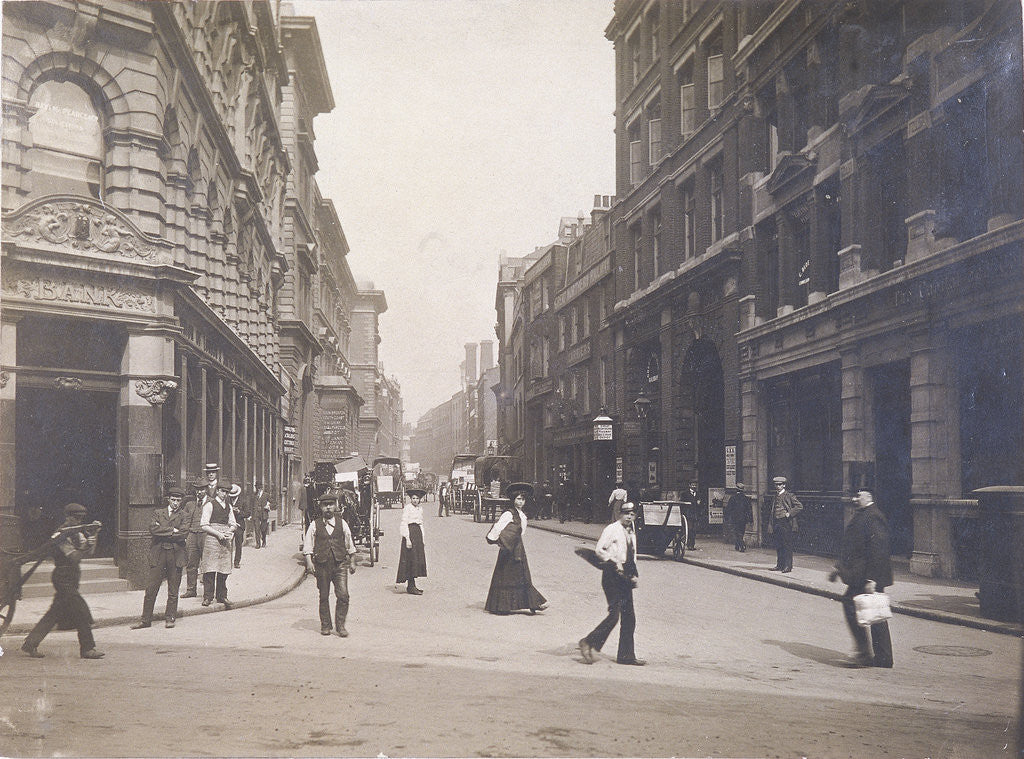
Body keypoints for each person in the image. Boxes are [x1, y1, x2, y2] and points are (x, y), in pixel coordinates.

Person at [21, 503, 104, 659]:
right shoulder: (61, 535)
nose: (79, 521)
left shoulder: (76, 533)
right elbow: (74, 557)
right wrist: (87, 545)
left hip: (72, 577)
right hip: (63, 577)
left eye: (81, 518)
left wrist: (94, 535)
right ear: (68, 516)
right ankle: (87, 648)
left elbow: (90, 551)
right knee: (80, 610)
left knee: (53, 614)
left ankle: (30, 644)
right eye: (76, 518)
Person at [829, 488, 894, 668]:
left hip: (867, 575)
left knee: (854, 605)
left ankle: (865, 652)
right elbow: (851, 545)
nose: (854, 499)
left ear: (868, 497)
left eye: (859, 496)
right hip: (861, 574)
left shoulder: (873, 516)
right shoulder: (863, 514)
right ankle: (883, 657)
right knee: (875, 614)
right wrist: (839, 567)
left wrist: (873, 579)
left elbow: (879, 549)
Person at [578, 501, 645, 666]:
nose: (629, 516)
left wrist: (633, 573)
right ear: (619, 514)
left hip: (625, 578)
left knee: (629, 618)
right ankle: (588, 642)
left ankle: (626, 656)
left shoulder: (631, 531)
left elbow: (631, 554)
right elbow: (600, 550)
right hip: (612, 576)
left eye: (632, 514)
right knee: (614, 615)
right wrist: (615, 562)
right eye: (626, 513)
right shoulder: (612, 529)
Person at [484, 482, 547, 615]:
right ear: (513, 500)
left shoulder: (521, 515)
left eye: (523, 499)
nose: (521, 502)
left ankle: (532, 603)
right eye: (518, 499)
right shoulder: (508, 514)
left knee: (523, 575)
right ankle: (502, 606)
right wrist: (495, 539)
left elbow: (521, 531)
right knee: (506, 576)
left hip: (518, 548)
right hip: (508, 549)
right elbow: (497, 528)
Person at [132, 487, 188, 629]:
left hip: (176, 555)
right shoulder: (158, 513)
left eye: (178, 500)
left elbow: (183, 534)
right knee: (151, 588)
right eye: (173, 500)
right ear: (168, 499)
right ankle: (145, 619)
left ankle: (170, 618)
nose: (175, 503)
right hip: (159, 554)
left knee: (173, 589)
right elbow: (153, 529)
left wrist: (163, 530)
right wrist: (171, 530)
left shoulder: (184, 515)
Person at [302, 493, 356, 636]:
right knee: (324, 596)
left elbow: (349, 542)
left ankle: (340, 626)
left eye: (331, 505)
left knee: (343, 595)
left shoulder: (342, 523)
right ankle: (326, 625)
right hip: (322, 565)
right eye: (325, 505)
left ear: (335, 506)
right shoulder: (314, 525)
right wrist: (309, 563)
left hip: (340, 565)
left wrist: (353, 560)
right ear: (320, 507)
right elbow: (308, 545)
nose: (328, 508)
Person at [199, 467, 236, 608]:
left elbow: (232, 522)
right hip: (212, 538)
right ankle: (208, 597)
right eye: (222, 491)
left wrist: (230, 531)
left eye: (227, 492)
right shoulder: (209, 505)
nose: (224, 494)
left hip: (225, 538)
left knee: (223, 569)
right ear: (218, 491)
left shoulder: (228, 506)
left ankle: (222, 596)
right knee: (210, 568)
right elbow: (204, 525)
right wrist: (218, 533)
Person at [396, 488, 427, 595]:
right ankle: (411, 586)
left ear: (419, 500)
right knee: (410, 559)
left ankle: (412, 585)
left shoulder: (420, 509)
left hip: (417, 534)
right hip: (410, 533)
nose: (415, 500)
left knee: (417, 559)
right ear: (410, 499)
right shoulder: (407, 508)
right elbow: (404, 523)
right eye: (413, 498)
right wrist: (407, 539)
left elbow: (421, 523)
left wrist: (422, 538)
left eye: (417, 498)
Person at [769, 476, 803, 573]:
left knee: (787, 545)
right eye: (776, 485)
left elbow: (799, 506)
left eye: (780, 485)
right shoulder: (775, 496)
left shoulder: (789, 495)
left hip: (786, 523)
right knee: (779, 544)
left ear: (784, 485)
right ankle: (780, 565)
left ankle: (788, 566)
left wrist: (790, 513)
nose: (778, 486)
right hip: (777, 522)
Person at [179, 483, 205, 598]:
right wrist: (185, 534)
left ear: (206, 489)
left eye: (202, 489)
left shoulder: (211, 503)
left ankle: (208, 592)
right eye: (198, 490)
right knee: (191, 563)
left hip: (206, 535)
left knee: (207, 564)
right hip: (192, 535)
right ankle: (191, 590)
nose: (199, 492)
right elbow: (183, 519)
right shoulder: (189, 504)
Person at [724, 483, 752, 552]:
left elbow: (728, 509)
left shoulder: (733, 498)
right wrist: (751, 520)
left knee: (736, 532)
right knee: (741, 532)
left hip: (735, 518)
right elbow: (749, 510)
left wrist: (726, 517)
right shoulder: (746, 498)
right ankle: (737, 545)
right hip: (743, 519)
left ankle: (742, 545)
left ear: (736, 490)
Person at [228, 483, 248, 568]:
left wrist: (239, 512)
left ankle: (236, 562)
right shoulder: (227, 500)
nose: (232, 497)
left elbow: (247, 513)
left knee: (238, 545)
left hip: (239, 526)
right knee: (228, 544)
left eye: (234, 496)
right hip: (230, 525)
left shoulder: (243, 501)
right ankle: (228, 562)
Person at [682, 481, 705, 550]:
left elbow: (701, 504)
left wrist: (700, 506)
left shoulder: (698, 494)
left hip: (696, 514)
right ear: (689, 485)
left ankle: (692, 544)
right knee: (690, 529)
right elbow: (682, 504)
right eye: (693, 485)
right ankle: (689, 544)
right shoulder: (685, 494)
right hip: (688, 514)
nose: (694, 486)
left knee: (694, 530)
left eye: (695, 485)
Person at [251, 482, 271, 549]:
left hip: (264, 513)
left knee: (263, 529)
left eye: (259, 488)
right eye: (257, 487)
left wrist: (268, 505)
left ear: (261, 488)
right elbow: (252, 505)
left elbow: (273, 502)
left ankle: (264, 539)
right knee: (257, 529)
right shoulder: (254, 495)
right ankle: (258, 544)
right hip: (256, 513)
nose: (258, 489)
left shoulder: (266, 495)